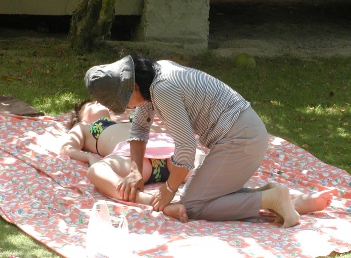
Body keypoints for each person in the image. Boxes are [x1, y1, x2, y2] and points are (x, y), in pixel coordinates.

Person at [84, 55, 331, 227]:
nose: (125, 107)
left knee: (194, 206)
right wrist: (134, 172)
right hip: (243, 134)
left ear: (134, 86)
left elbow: (185, 148)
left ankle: (271, 199)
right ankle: (271, 196)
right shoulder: (154, 78)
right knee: (200, 198)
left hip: (240, 138)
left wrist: (168, 190)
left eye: (124, 100)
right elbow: (138, 129)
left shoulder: (162, 89)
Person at [60, 100, 190, 221]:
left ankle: (200, 199)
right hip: (132, 159)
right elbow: (67, 148)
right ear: (83, 117)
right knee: (95, 170)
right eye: (91, 104)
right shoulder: (84, 126)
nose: (97, 102)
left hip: (166, 152)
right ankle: (153, 202)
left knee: (198, 162)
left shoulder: (127, 119)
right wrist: (89, 157)